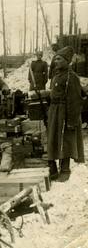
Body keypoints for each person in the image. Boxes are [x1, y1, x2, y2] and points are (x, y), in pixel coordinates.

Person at [47, 46, 85, 181]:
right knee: (53, 138)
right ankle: (52, 169)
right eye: (55, 58)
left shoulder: (71, 77)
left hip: (66, 112)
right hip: (54, 111)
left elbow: (75, 100)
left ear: (66, 61)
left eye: (59, 59)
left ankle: (65, 169)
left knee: (65, 140)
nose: (55, 61)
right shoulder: (56, 75)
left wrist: (71, 121)